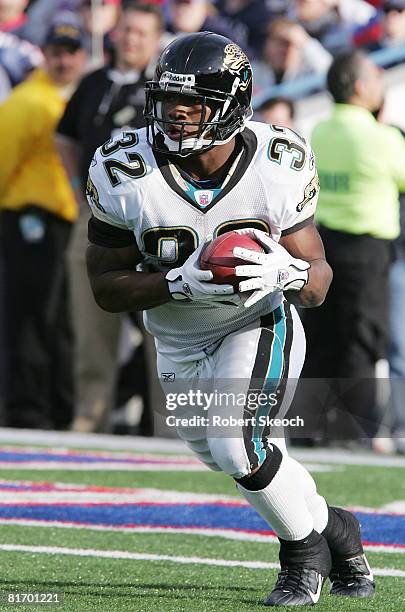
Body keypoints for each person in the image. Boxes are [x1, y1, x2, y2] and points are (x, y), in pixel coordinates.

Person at [85, 32, 375, 605]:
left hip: (255, 321)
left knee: (238, 442)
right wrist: (173, 280)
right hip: (176, 338)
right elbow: (103, 286)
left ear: (231, 105)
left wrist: (286, 274)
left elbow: (318, 280)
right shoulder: (124, 169)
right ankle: (336, 528)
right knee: (229, 453)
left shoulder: (276, 162)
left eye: (191, 105)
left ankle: (302, 558)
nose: (175, 117)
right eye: (167, 102)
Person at [56, 2, 162, 432]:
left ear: (156, 40)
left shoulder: (164, 85)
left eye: (142, 32)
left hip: (154, 220)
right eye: (127, 30)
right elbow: (64, 136)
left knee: (165, 327)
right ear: (115, 33)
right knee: (90, 323)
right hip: (97, 217)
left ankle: (172, 426)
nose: (132, 38)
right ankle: (91, 415)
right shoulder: (93, 82)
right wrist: (76, 184)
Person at [303, 50, 405, 442]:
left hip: (323, 247)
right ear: (361, 87)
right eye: (378, 80)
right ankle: (355, 434)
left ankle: (309, 430)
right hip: (368, 252)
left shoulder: (320, 131)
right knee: (361, 345)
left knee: (321, 341)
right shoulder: (383, 138)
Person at [0, 21, 87, 428]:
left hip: (60, 221)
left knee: (58, 319)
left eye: (71, 51)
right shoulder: (29, 101)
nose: (64, 59)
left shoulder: (64, 97)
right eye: (57, 51)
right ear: (44, 53)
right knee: (34, 315)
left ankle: (52, 404)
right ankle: (28, 408)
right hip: (30, 219)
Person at [251, 17, 332, 95]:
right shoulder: (254, 71)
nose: (284, 50)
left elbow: (331, 73)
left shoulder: (307, 69)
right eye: (279, 42)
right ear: (267, 44)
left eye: (289, 43)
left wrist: (306, 42)